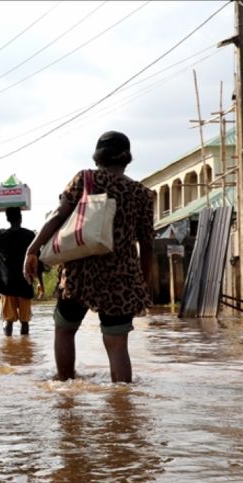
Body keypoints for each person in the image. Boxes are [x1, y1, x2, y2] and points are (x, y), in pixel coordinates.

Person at [23, 131, 154, 383]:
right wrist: (143, 283)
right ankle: (122, 406)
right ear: (127, 160)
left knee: (64, 330)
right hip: (122, 279)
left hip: (78, 275)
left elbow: (59, 216)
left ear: (98, 157)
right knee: (117, 346)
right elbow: (147, 244)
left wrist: (33, 249)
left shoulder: (85, 179)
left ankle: (65, 390)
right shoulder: (142, 194)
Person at [0, 207, 45, 336]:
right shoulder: (30, 235)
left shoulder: (1, 237)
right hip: (24, 283)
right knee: (25, 322)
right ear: (21, 218)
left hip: (6, 284)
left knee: (8, 320)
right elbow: (37, 261)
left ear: (7, 219)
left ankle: (9, 348)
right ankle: (25, 350)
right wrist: (40, 283)